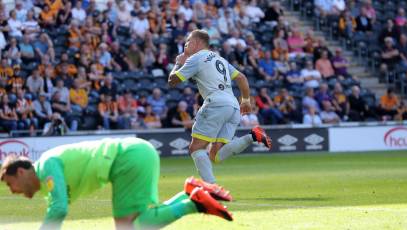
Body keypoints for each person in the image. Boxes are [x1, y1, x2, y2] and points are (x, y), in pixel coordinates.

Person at [0, 137, 233, 230]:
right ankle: (191, 193)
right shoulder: (47, 179)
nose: (13, 191)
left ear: (21, 172)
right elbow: (56, 207)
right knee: (141, 220)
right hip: (136, 152)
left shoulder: (48, 165)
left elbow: (59, 209)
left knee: (128, 226)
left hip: (126, 159)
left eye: (11, 184)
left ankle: (194, 203)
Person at [168, 30, 272, 184]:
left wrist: (178, 62)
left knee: (196, 148)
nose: (185, 46)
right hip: (233, 106)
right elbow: (242, 77)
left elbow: (172, 81)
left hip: (216, 103)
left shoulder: (195, 58)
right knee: (215, 155)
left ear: (196, 42)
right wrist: (245, 100)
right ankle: (253, 136)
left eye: (187, 42)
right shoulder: (220, 59)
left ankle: (212, 188)